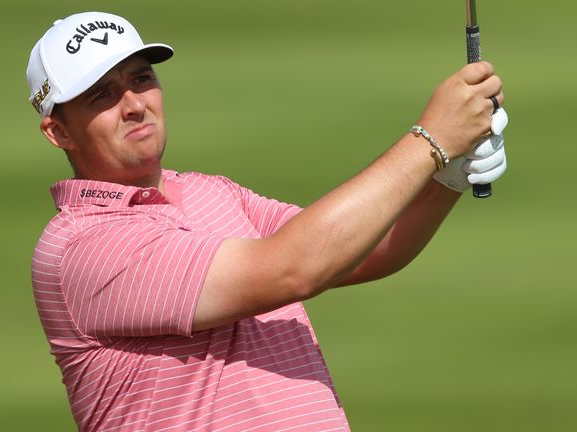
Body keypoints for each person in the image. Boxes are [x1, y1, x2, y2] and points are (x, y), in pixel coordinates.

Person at [27, 11, 508, 432]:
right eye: (102, 96)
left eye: (141, 78)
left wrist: (445, 179)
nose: (134, 104)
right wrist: (430, 140)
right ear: (59, 130)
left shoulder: (209, 191)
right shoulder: (85, 247)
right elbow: (295, 267)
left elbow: (361, 251)